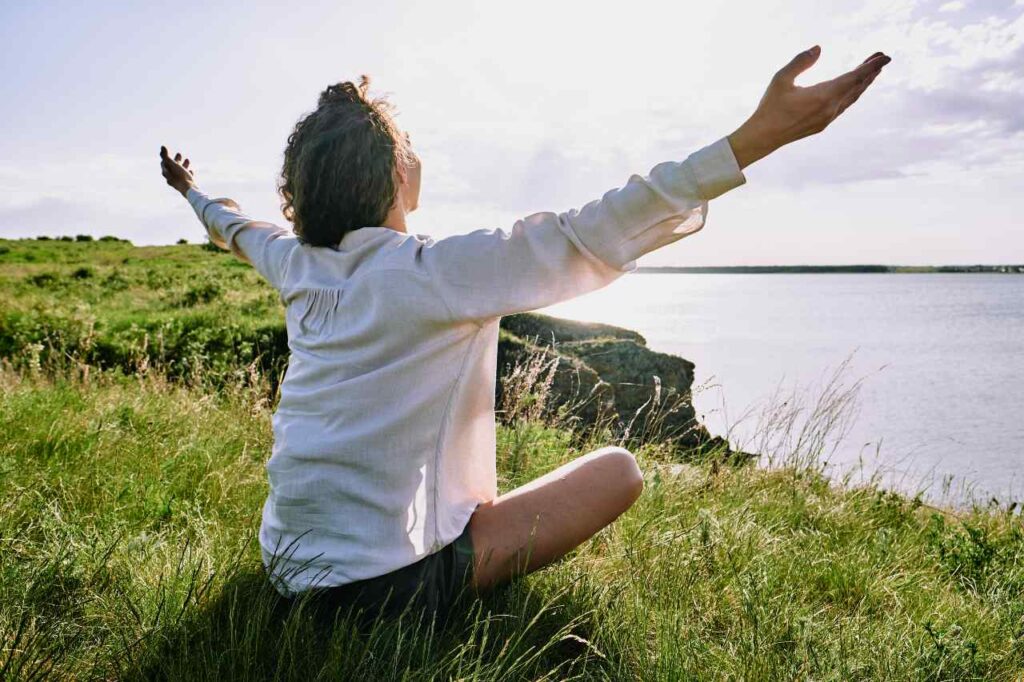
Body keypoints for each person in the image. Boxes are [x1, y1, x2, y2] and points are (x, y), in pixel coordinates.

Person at [159, 45, 891, 630]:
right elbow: (590, 231)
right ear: (394, 174)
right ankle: (438, 571)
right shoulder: (433, 271)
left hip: (285, 570)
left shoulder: (294, 264)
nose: (417, 155)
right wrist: (755, 139)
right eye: (407, 144)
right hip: (380, 594)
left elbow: (232, 226)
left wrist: (190, 190)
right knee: (621, 471)